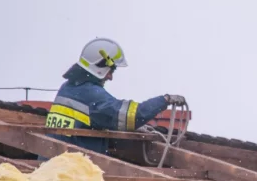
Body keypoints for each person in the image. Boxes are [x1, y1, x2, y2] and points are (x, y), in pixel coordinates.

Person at [46, 38, 186, 154]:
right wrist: (164, 100)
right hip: (72, 175)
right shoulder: (92, 95)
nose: (110, 77)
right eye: (110, 70)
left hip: (53, 165)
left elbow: (96, 118)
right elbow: (131, 116)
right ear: (99, 66)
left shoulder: (67, 88)